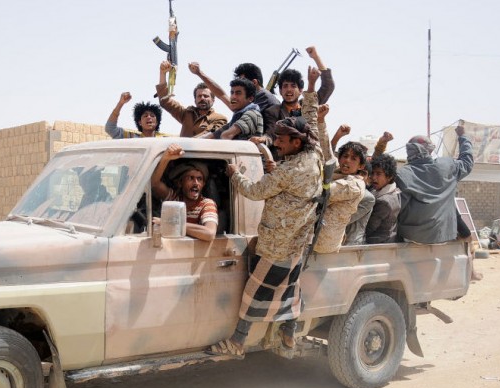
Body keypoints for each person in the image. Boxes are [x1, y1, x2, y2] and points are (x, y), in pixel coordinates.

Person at [207, 69, 323, 358]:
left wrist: (234, 174)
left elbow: (255, 192)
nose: (278, 143)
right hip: (298, 242)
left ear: (297, 142)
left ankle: (237, 342)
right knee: (289, 288)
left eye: (282, 140)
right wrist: (310, 86)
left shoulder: (289, 171)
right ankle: (288, 335)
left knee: (253, 293)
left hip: (277, 245)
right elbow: (311, 119)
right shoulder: (315, 152)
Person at [395, 125, 474, 243]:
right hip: (445, 235)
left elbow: (397, 208)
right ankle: (466, 236)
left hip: (411, 237)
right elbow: (467, 162)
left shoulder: (402, 174)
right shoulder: (447, 166)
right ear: (430, 150)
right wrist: (463, 137)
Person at [313, 89, 366, 253]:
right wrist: (321, 120)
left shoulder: (354, 185)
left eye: (353, 159)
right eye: (345, 156)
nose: (347, 161)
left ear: (361, 166)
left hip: (323, 243)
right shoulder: (337, 169)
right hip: (312, 237)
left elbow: (323, 192)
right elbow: (326, 149)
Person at [261, 46, 335, 138]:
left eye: (293, 86)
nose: (289, 89)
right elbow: (271, 134)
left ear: (300, 90)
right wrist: (264, 139)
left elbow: (328, 86)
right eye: (285, 86)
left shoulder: (309, 105)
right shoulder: (273, 112)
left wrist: (316, 57)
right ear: (280, 91)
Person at [151, 144, 218, 241]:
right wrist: (165, 159)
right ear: (180, 183)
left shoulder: (207, 204)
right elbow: (155, 184)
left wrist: (167, 223)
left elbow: (209, 233)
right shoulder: (175, 199)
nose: (196, 183)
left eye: (199, 179)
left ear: (203, 184)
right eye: (191, 178)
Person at [156, 61, 229, 137]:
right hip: (183, 148)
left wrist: (182, 142)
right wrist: (162, 73)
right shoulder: (187, 114)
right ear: (195, 100)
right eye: (199, 96)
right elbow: (165, 101)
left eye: (206, 96)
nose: (202, 98)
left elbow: (208, 135)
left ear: (213, 100)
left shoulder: (220, 118)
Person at [188, 61, 279, 113]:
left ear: (254, 82)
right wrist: (200, 74)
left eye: (242, 82)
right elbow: (221, 95)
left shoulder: (263, 97)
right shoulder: (248, 100)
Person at [196, 78, 263, 140]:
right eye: (232, 93)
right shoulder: (239, 116)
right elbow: (213, 135)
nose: (233, 97)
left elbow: (226, 135)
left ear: (250, 98)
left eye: (238, 93)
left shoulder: (251, 114)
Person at [365, 154, 401, 244]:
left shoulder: (384, 201)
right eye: (372, 173)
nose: (373, 177)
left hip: (376, 243)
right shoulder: (392, 191)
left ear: (389, 177)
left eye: (378, 174)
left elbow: (369, 228)